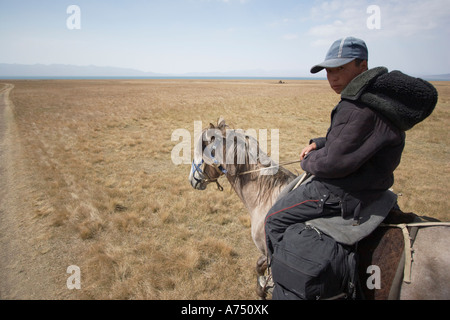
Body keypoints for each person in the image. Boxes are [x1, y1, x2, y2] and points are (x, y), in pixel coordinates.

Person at [264, 36, 438, 299]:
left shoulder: (358, 106)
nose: (332, 78)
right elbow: (358, 142)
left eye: (340, 69)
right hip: (372, 187)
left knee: (274, 219)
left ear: (362, 65)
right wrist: (320, 143)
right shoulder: (378, 100)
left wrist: (307, 162)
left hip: (340, 191)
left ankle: (285, 284)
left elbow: (335, 163)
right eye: (329, 71)